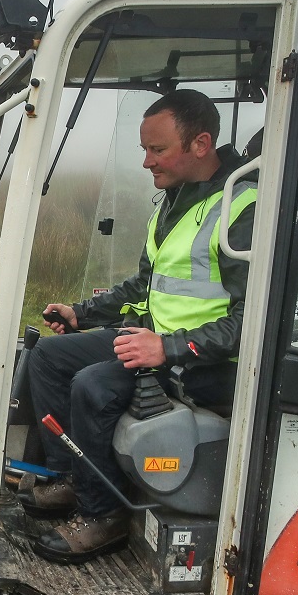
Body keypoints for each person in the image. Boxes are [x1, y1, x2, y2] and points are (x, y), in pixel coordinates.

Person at [22, 89, 258, 563]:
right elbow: (145, 284)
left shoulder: (241, 208)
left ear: (201, 143)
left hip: (205, 361)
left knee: (92, 385)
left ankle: (103, 516)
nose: (147, 162)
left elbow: (251, 319)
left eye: (157, 150)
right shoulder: (175, 200)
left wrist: (169, 349)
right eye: (144, 150)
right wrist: (80, 313)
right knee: (46, 357)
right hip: (154, 339)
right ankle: (72, 477)